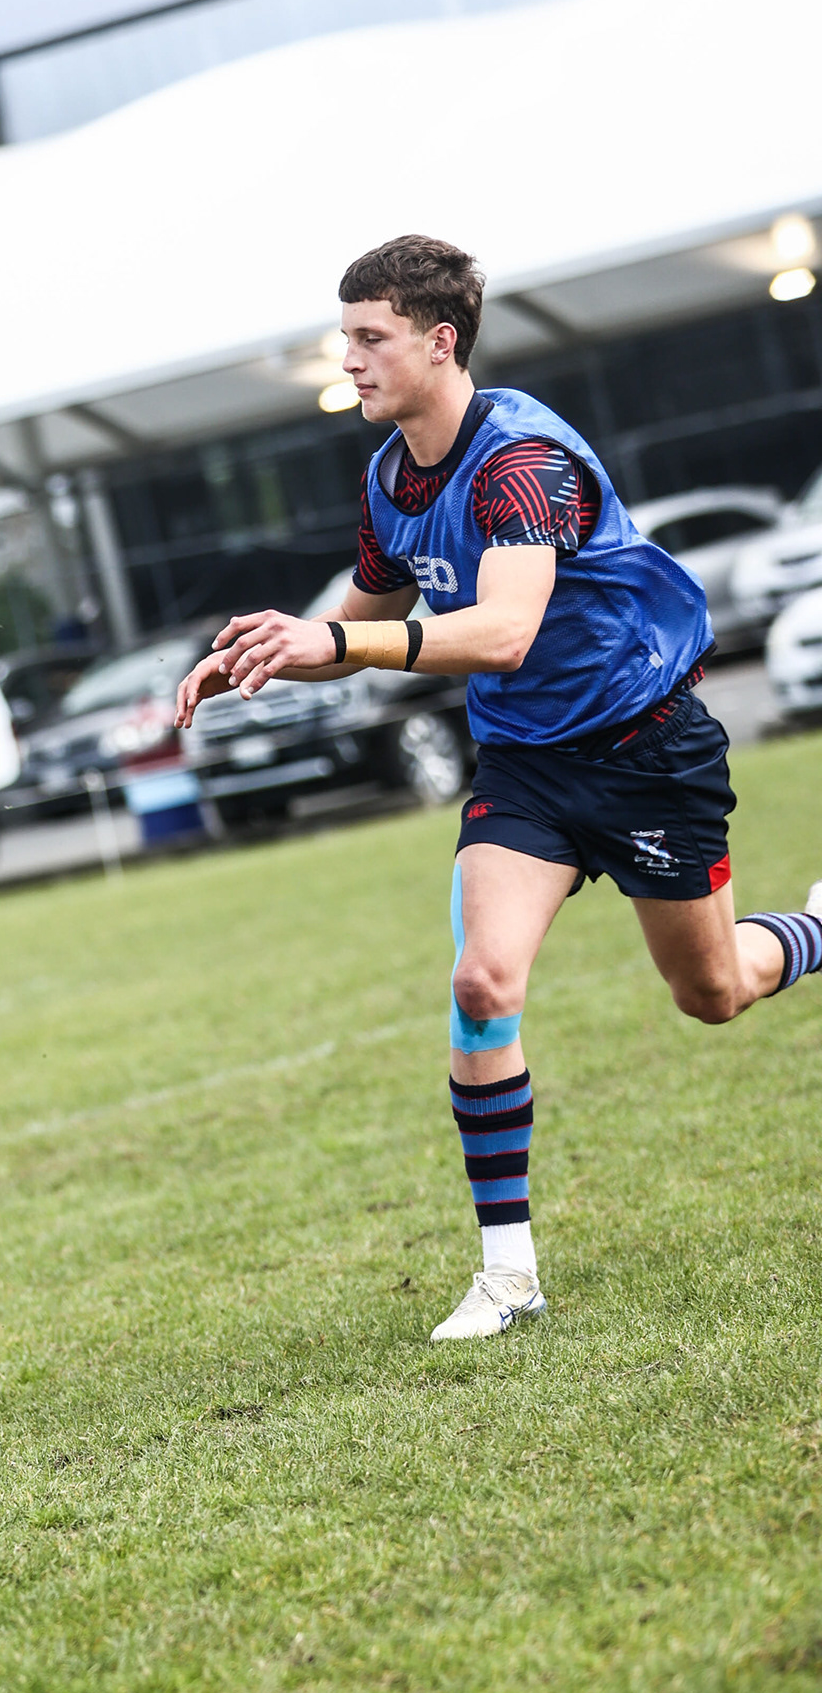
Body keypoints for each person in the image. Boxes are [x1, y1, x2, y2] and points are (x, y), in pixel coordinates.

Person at [177, 234, 822, 1344]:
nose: (349, 359)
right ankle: (509, 1273)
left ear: (440, 342)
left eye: (370, 338)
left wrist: (334, 639)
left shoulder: (522, 460)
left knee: (713, 992)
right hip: (527, 765)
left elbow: (506, 631)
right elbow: (365, 619)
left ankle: (814, 928)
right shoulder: (388, 476)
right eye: (344, 337)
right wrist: (272, 649)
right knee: (481, 982)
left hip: (647, 749)